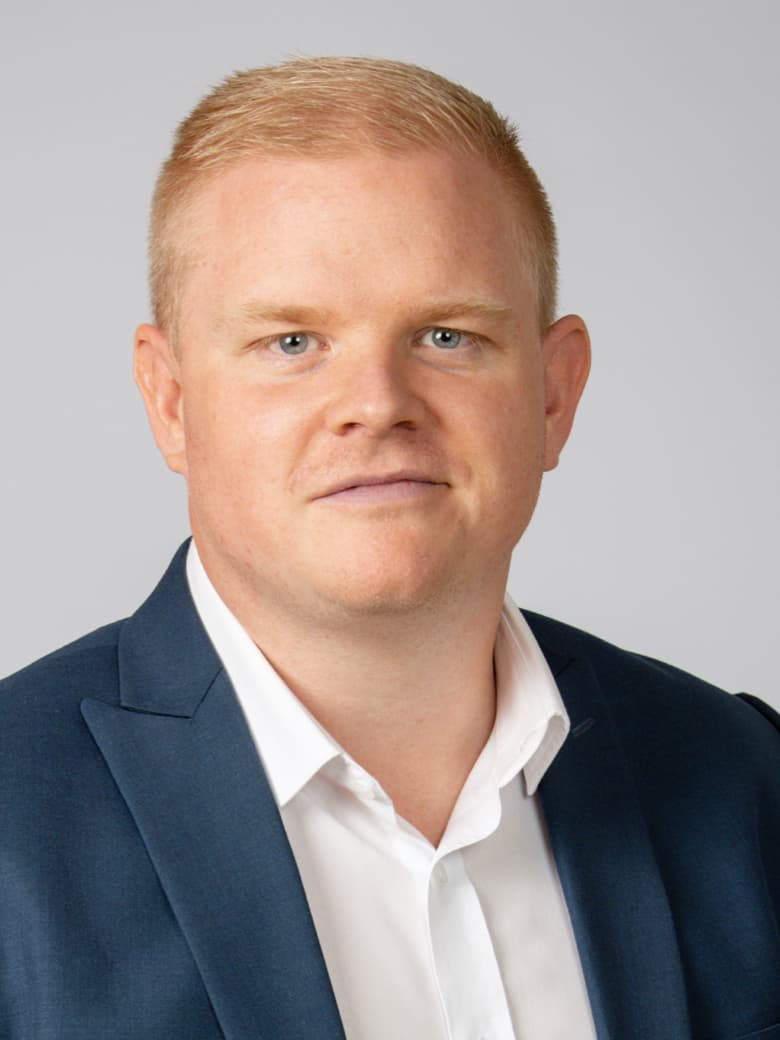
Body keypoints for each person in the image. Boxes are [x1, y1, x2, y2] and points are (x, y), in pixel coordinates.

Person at [1, 57, 778, 1040]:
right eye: (292, 342)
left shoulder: (743, 777)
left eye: (447, 335)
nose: (377, 403)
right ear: (172, 400)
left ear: (553, 392)